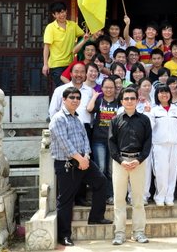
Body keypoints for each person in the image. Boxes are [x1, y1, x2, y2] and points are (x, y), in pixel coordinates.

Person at [49, 87, 111, 247]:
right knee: (66, 199)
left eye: (78, 98)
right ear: (64, 99)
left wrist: (87, 157)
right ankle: (64, 235)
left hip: (84, 160)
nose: (75, 100)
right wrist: (79, 159)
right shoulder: (58, 118)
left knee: (101, 181)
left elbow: (85, 139)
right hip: (67, 163)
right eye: (72, 97)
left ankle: (96, 216)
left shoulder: (77, 119)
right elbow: (64, 143)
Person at [109, 87, 152, 245]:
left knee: (138, 200)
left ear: (137, 100)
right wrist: (121, 160)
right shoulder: (115, 120)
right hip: (120, 163)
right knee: (119, 199)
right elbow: (111, 143)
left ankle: (138, 232)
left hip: (138, 162)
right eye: (126, 98)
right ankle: (119, 233)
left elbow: (148, 143)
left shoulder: (144, 120)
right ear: (121, 101)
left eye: (132, 98)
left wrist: (139, 160)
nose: (129, 101)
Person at [147, 85, 177, 206]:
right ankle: (160, 197)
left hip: (175, 144)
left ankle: (169, 197)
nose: (164, 95)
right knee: (160, 172)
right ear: (157, 95)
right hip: (159, 145)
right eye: (161, 92)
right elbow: (149, 127)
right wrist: (147, 113)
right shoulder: (154, 110)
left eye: (166, 92)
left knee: (172, 172)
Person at [86, 77, 119, 203]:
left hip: (114, 141)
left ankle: (110, 195)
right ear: (102, 88)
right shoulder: (99, 101)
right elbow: (89, 109)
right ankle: (99, 195)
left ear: (115, 88)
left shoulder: (119, 103)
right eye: (106, 87)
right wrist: (95, 96)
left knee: (111, 170)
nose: (108, 90)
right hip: (99, 140)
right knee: (101, 168)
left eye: (111, 87)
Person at [42, 1, 85, 88]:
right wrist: (45, 64)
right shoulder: (50, 27)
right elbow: (46, 47)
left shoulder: (73, 25)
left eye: (63, 12)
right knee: (63, 88)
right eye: (58, 13)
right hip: (56, 65)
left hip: (70, 64)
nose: (61, 15)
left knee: (71, 89)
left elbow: (85, 37)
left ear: (66, 11)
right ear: (54, 15)